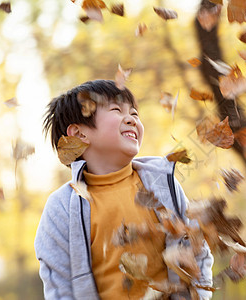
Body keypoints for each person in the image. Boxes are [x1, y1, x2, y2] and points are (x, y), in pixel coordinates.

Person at [34, 79, 213, 299]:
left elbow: (196, 248)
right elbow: (59, 283)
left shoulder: (161, 184)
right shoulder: (62, 208)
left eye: (135, 113)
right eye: (117, 110)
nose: (131, 119)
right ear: (79, 135)